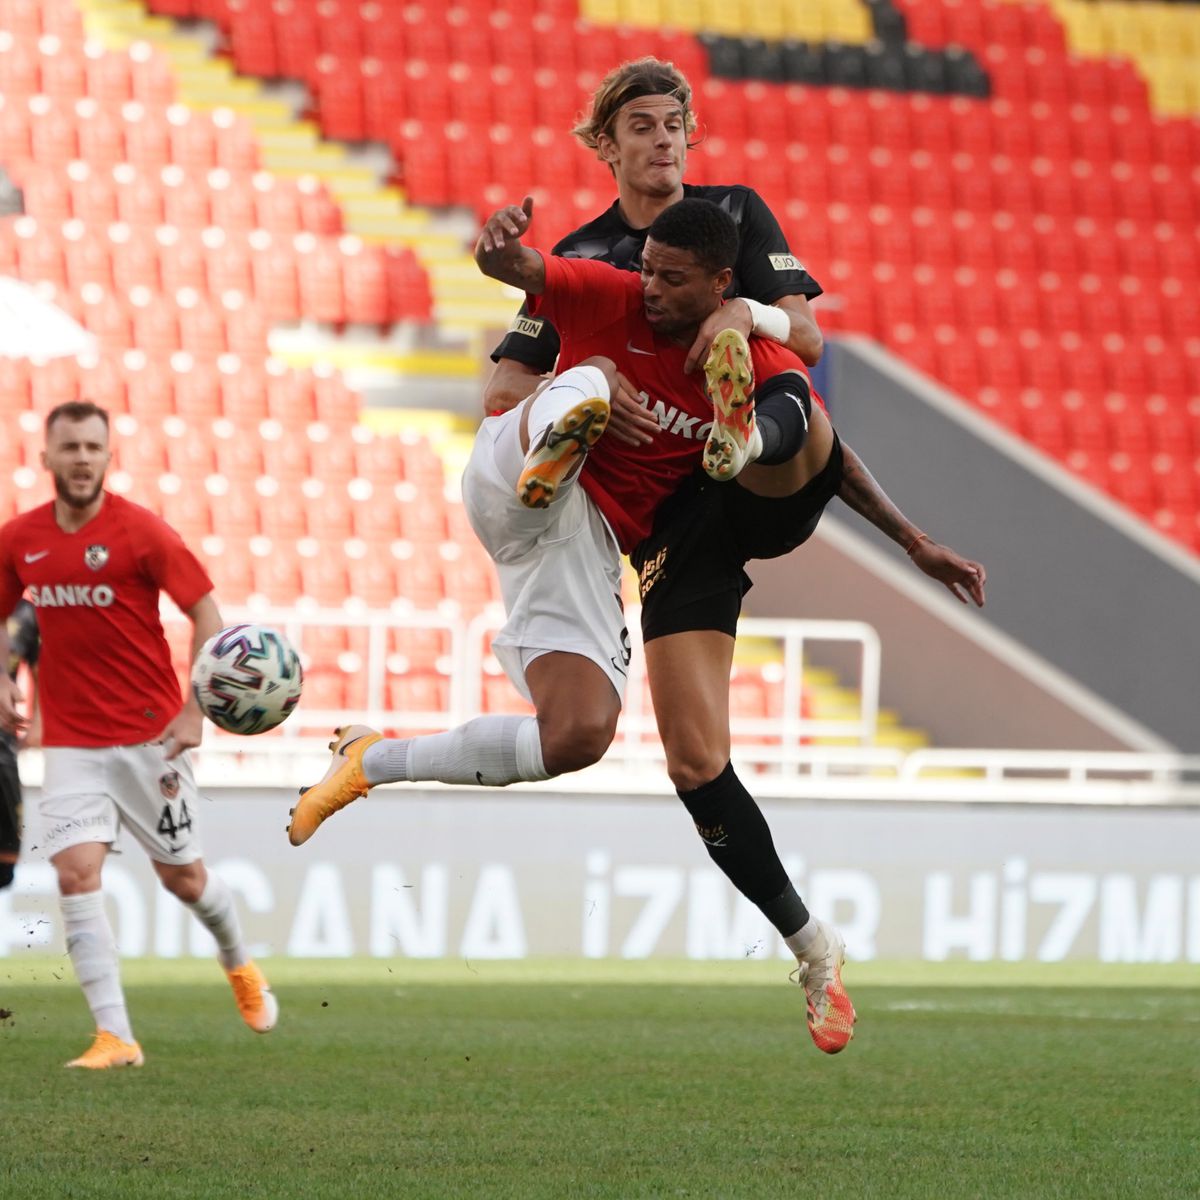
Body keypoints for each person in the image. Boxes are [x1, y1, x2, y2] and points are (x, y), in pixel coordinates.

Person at [485, 59, 986, 1051]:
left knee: (777, 385)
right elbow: (504, 394)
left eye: (677, 123)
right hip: (675, 525)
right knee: (692, 759)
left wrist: (737, 314)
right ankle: (813, 949)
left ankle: (741, 436)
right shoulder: (587, 255)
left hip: (762, 470)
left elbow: (799, 332)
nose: (665, 139)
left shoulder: (734, 218)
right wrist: (581, 380)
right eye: (642, 124)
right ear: (607, 142)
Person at [288, 193, 866, 1052]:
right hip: (511, 474)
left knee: (581, 734)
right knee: (591, 378)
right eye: (646, 270)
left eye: (670, 279)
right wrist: (496, 251)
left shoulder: (752, 355)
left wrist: (748, 445)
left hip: (579, 543)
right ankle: (570, 423)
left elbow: (800, 418)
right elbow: (520, 274)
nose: (650, 288)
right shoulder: (608, 291)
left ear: (719, 287)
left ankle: (372, 761)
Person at [0, 401, 278, 1069]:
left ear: (108, 454)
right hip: (70, 743)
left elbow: (205, 611)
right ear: (46, 458)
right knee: (75, 874)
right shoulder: (19, 540)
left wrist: (195, 709)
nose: (82, 459)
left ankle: (239, 962)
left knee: (184, 880)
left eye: (93, 446)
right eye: (69, 447)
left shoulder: (142, 533)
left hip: (151, 740)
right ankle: (115, 1036)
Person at [0, 600, 37, 891]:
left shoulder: (26, 613)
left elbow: (44, 669)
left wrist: (40, 724)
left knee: (3, 869)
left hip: (3, 748)